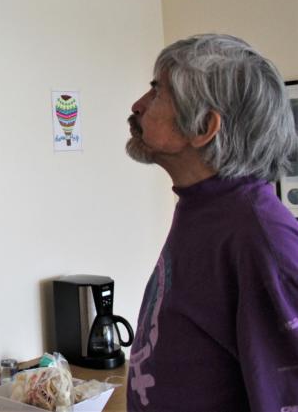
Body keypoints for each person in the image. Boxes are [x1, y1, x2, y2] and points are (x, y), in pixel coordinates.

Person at [125, 34, 298, 411]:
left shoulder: (259, 237)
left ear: (204, 126)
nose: (138, 105)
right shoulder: (203, 207)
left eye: (157, 92)